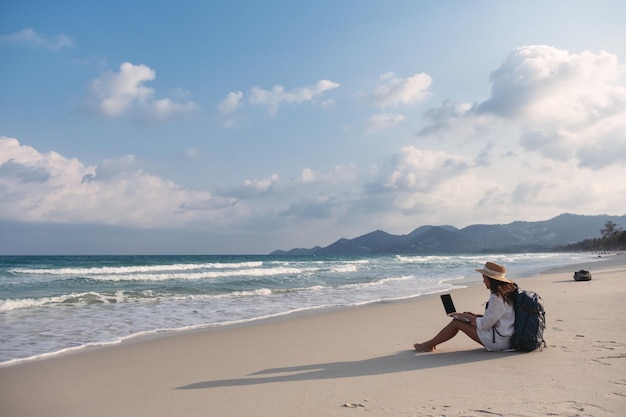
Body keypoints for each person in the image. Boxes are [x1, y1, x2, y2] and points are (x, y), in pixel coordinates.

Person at [413, 261, 517, 352]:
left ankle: (427, 345)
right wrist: (474, 316)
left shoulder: (496, 297)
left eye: (484, 277)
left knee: (457, 322)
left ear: (491, 279)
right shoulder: (507, 293)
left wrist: (468, 318)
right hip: (508, 337)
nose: (483, 281)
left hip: (499, 342)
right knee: (465, 317)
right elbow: (501, 318)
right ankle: (431, 344)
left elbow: (485, 325)